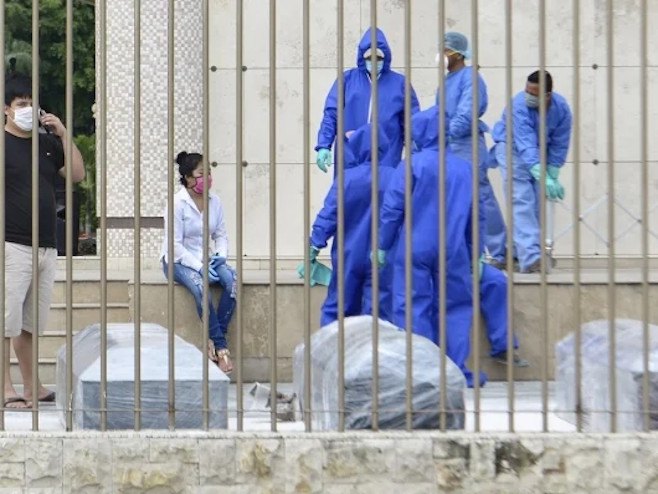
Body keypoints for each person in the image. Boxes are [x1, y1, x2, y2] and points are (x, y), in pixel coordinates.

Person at [377, 106, 482, 386]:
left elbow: (392, 209)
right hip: (454, 247)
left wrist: (382, 244)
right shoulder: (465, 168)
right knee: (456, 307)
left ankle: (421, 371)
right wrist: (475, 253)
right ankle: (455, 370)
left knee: (412, 305)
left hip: (415, 245)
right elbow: (475, 215)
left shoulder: (411, 164)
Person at [3, 73, 85, 408]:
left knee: (29, 325)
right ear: (6, 109)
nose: (28, 109)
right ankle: (5, 390)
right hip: (11, 244)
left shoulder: (47, 145)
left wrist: (63, 134)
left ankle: (32, 385)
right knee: (4, 321)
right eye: (21, 104)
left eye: (32, 103)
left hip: (46, 246)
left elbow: (77, 174)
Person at [310, 123, 395, 326]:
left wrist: (314, 245)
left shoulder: (346, 179)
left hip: (348, 255)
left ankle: (332, 354)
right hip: (382, 257)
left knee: (337, 309)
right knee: (376, 316)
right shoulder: (394, 177)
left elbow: (329, 214)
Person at [161, 152, 236, 373]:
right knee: (201, 288)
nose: (208, 178)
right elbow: (174, 245)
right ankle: (222, 350)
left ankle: (214, 339)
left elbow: (220, 234)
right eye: (202, 174)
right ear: (188, 177)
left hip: (208, 259)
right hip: (179, 260)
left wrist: (220, 254)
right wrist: (199, 267)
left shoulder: (215, 201)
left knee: (232, 283)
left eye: (209, 173)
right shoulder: (177, 203)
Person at [438, 32, 507, 270]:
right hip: (448, 145)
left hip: (467, 145)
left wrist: (448, 132)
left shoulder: (471, 78)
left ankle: (499, 252)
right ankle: (463, 254)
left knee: (480, 197)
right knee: (453, 200)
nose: (443, 55)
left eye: (446, 50)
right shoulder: (446, 81)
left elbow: (466, 112)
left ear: (458, 53)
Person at [491, 70, 572, 273]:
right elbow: (525, 142)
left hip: (538, 151)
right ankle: (532, 258)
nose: (529, 95)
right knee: (521, 200)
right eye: (527, 90)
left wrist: (553, 172)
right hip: (512, 148)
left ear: (548, 95)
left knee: (536, 204)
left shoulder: (561, 110)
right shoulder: (519, 105)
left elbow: (560, 143)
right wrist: (539, 171)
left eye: (534, 93)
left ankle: (517, 253)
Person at [315, 27, 420, 174]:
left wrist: (416, 152)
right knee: (349, 193)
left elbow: (412, 121)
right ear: (362, 57)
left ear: (386, 57)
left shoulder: (400, 84)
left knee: (383, 193)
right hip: (350, 154)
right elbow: (332, 114)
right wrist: (324, 145)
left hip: (387, 155)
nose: (374, 61)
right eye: (369, 57)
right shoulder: (347, 80)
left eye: (379, 57)